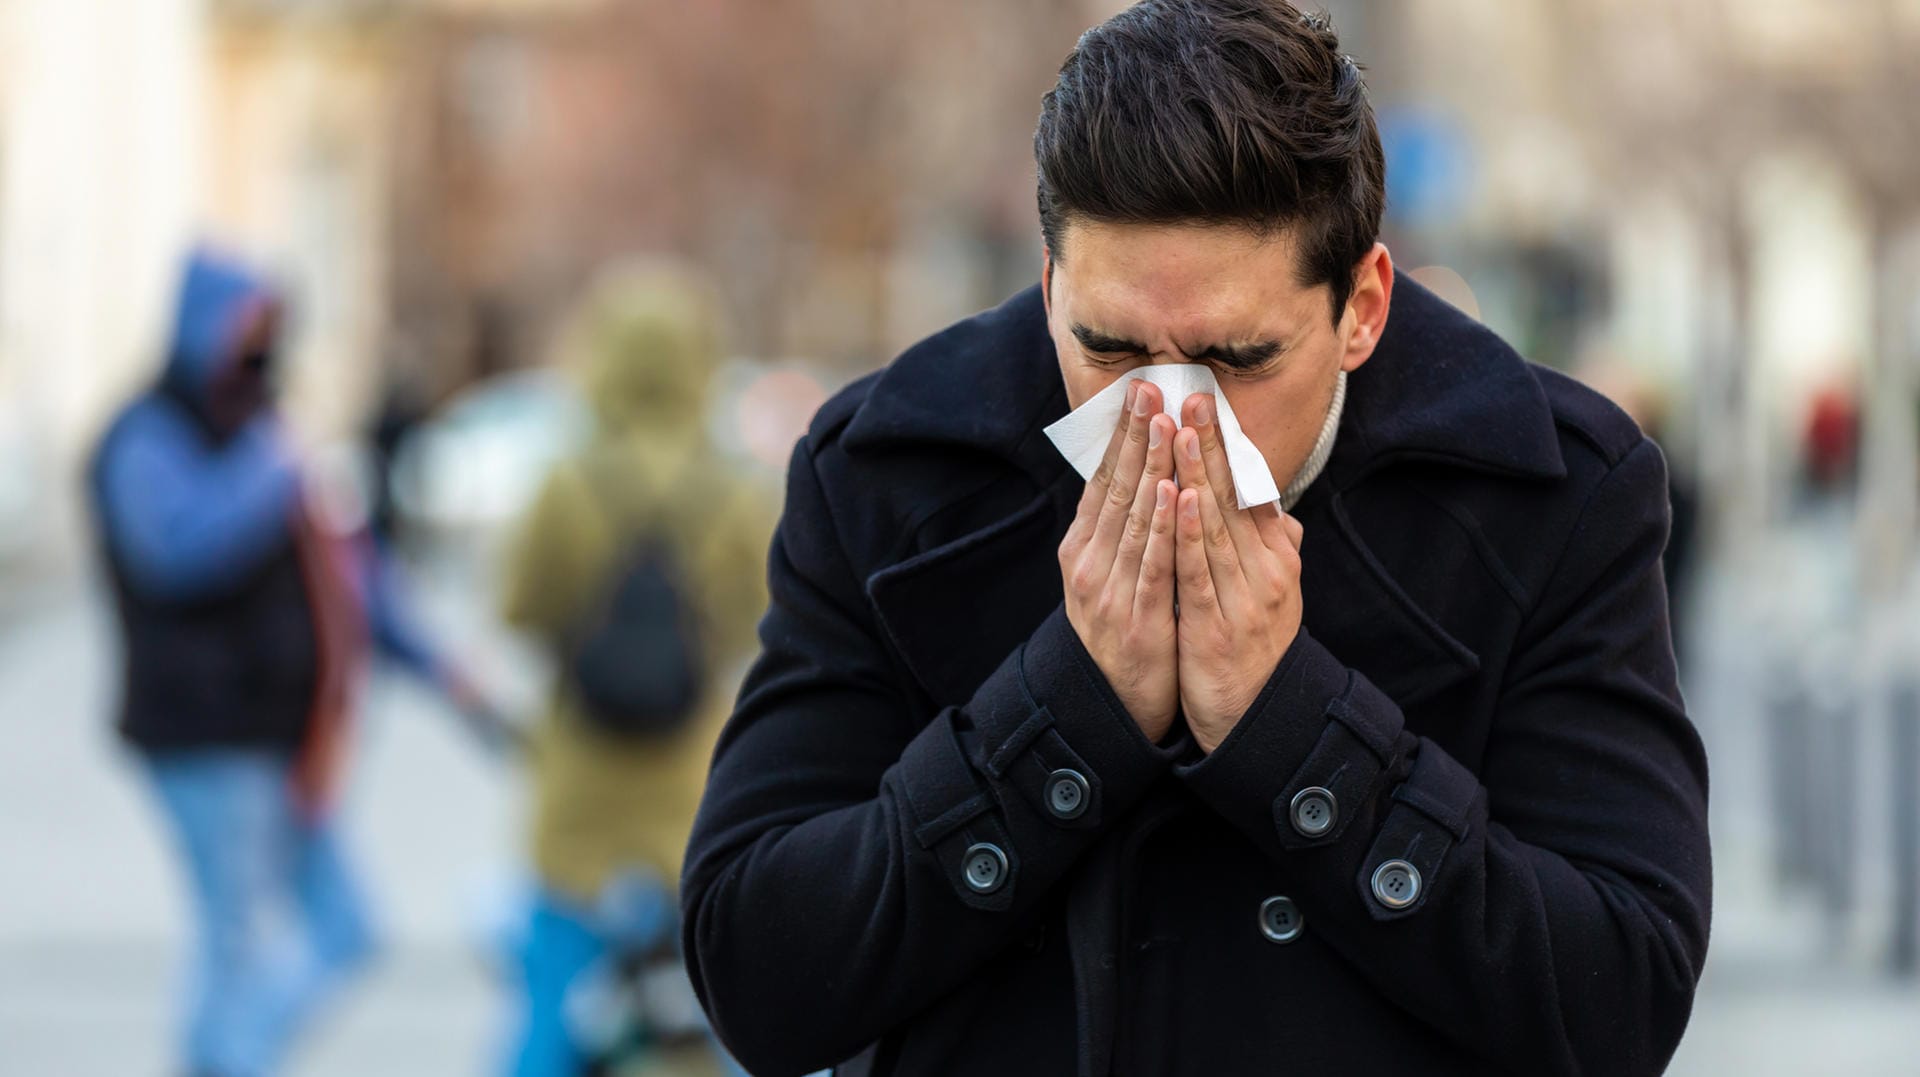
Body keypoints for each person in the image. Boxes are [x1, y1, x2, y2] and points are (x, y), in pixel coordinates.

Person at [680, 3, 1712, 1075]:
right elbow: (756, 974)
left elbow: (1621, 997)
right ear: (1048, 288)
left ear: (1361, 306)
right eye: (1111, 347)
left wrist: (1292, 728)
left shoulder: (1551, 494)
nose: (1170, 413)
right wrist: (1066, 710)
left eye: (1236, 357)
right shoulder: (888, 475)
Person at [87, 248, 500, 1077]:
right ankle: (226, 1058)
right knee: (234, 938)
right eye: (248, 329)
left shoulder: (264, 434)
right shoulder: (149, 436)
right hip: (207, 736)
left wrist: (441, 666)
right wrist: (270, 469)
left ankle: (227, 1056)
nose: (264, 348)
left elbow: (349, 576)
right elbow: (173, 547)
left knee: (345, 926)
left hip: (288, 743)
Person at [497, 265, 773, 1077]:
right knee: (707, 1019)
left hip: (578, 791)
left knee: (550, 1018)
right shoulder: (736, 493)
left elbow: (519, 608)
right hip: (693, 793)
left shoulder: (565, 482)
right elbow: (761, 621)